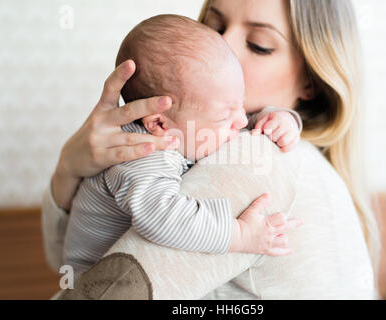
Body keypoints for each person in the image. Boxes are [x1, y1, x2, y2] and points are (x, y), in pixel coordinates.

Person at [42, 0, 381, 299]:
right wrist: (70, 167)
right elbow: (76, 266)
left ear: (310, 79)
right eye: (215, 25)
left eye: (258, 44)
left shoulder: (256, 159)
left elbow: (92, 283)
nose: (222, 45)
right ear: (159, 122)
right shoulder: (154, 152)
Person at [63, 14, 303, 278]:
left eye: (242, 104)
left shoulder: (192, 123)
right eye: (225, 115)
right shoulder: (142, 155)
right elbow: (162, 219)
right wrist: (240, 234)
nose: (243, 120)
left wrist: (278, 118)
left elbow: (231, 122)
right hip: (100, 283)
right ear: (160, 124)